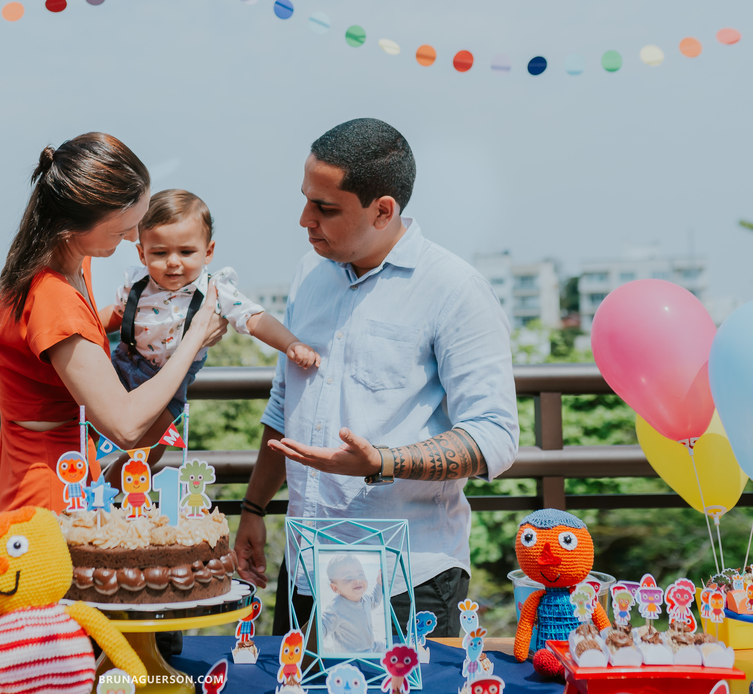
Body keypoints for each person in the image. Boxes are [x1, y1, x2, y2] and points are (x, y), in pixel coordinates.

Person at [233, 118, 519, 637]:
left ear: (383, 210)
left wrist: (382, 463)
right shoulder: (308, 275)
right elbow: (284, 406)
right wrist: (254, 508)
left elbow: (494, 435)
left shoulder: (455, 289)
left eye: (324, 208)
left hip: (405, 579)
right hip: (306, 567)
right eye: (305, 200)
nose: (304, 219)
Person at [0, 133, 228, 515]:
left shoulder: (64, 262)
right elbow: (125, 426)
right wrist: (194, 335)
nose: (134, 237)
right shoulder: (54, 298)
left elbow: (77, 335)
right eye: (121, 231)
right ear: (71, 225)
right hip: (50, 488)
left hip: (55, 466)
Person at [101, 189, 320, 444]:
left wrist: (290, 344)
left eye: (186, 252)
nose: (173, 262)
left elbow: (254, 318)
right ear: (142, 254)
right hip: (124, 364)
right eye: (160, 253)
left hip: (171, 381)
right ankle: (88, 476)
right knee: (94, 425)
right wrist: (80, 332)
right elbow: (114, 315)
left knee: (151, 446)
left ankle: (115, 480)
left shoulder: (214, 289)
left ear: (208, 252)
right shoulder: (137, 282)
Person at [320, 554, 378, 655]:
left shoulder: (365, 599)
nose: (357, 580)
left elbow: (375, 600)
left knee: (386, 648)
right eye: (348, 577)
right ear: (335, 588)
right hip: (349, 654)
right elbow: (323, 626)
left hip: (369, 646)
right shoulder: (336, 607)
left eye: (360, 574)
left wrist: (380, 584)